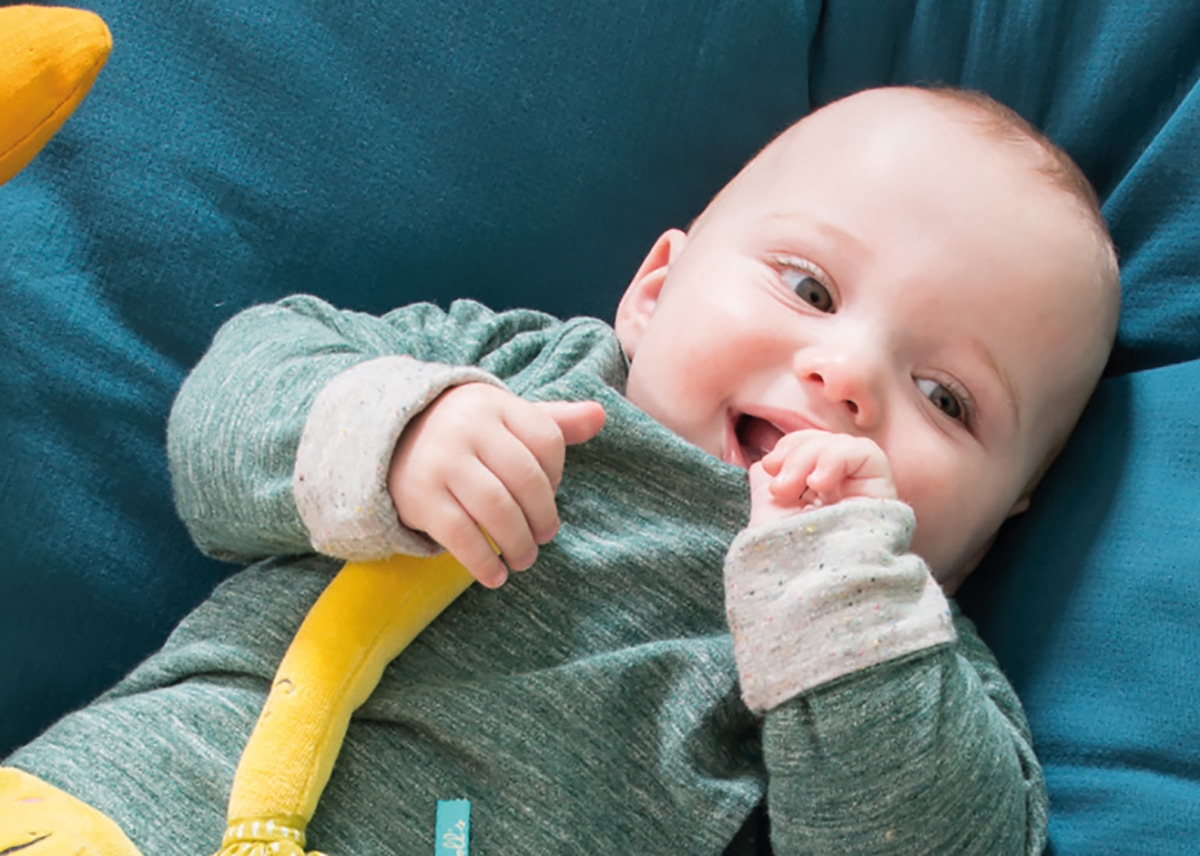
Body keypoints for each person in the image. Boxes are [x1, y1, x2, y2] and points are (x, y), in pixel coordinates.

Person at [2, 85, 1119, 854]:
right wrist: (399, 432)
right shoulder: (513, 368)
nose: (848, 375)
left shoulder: (906, 657)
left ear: (1001, 516)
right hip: (136, 810)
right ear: (656, 292)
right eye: (810, 289)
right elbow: (228, 408)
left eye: (947, 399)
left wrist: (849, 607)